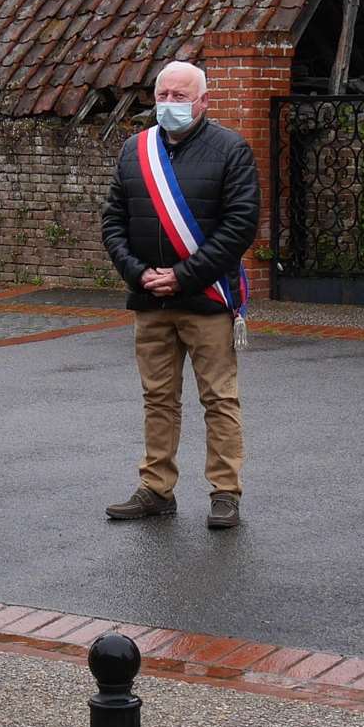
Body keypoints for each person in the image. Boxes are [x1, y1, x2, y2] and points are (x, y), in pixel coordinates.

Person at [101, 60, 259, 530]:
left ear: (203, 102)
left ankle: (225, 493)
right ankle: (156, 489)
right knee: (158, 399)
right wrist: (137, 273)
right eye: (163, 95)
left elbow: (240, 226)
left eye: (180, 96)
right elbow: (113, 221)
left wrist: (183, 276)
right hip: (150, 300)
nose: (169, 104)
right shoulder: (135, 149)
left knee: (219, 399)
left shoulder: (231, 150)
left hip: (206, 300)